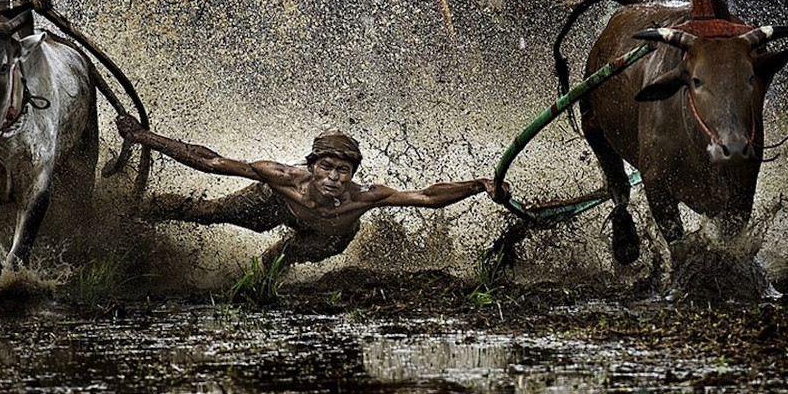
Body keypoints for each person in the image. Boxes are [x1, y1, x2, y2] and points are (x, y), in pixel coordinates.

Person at [116, 115, 506, 269]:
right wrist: (143, 136)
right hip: (276, 204)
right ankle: (132, 214)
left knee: (277, 260)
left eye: (343, 170)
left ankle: (262, 287)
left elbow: (427, 197)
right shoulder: (284, 178)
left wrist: (479, 185)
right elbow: (212, 161)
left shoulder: (362, 197)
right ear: (312, 165)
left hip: (329, 234)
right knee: (208, 212)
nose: (334, 177)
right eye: (326, 167)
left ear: (352, 174)